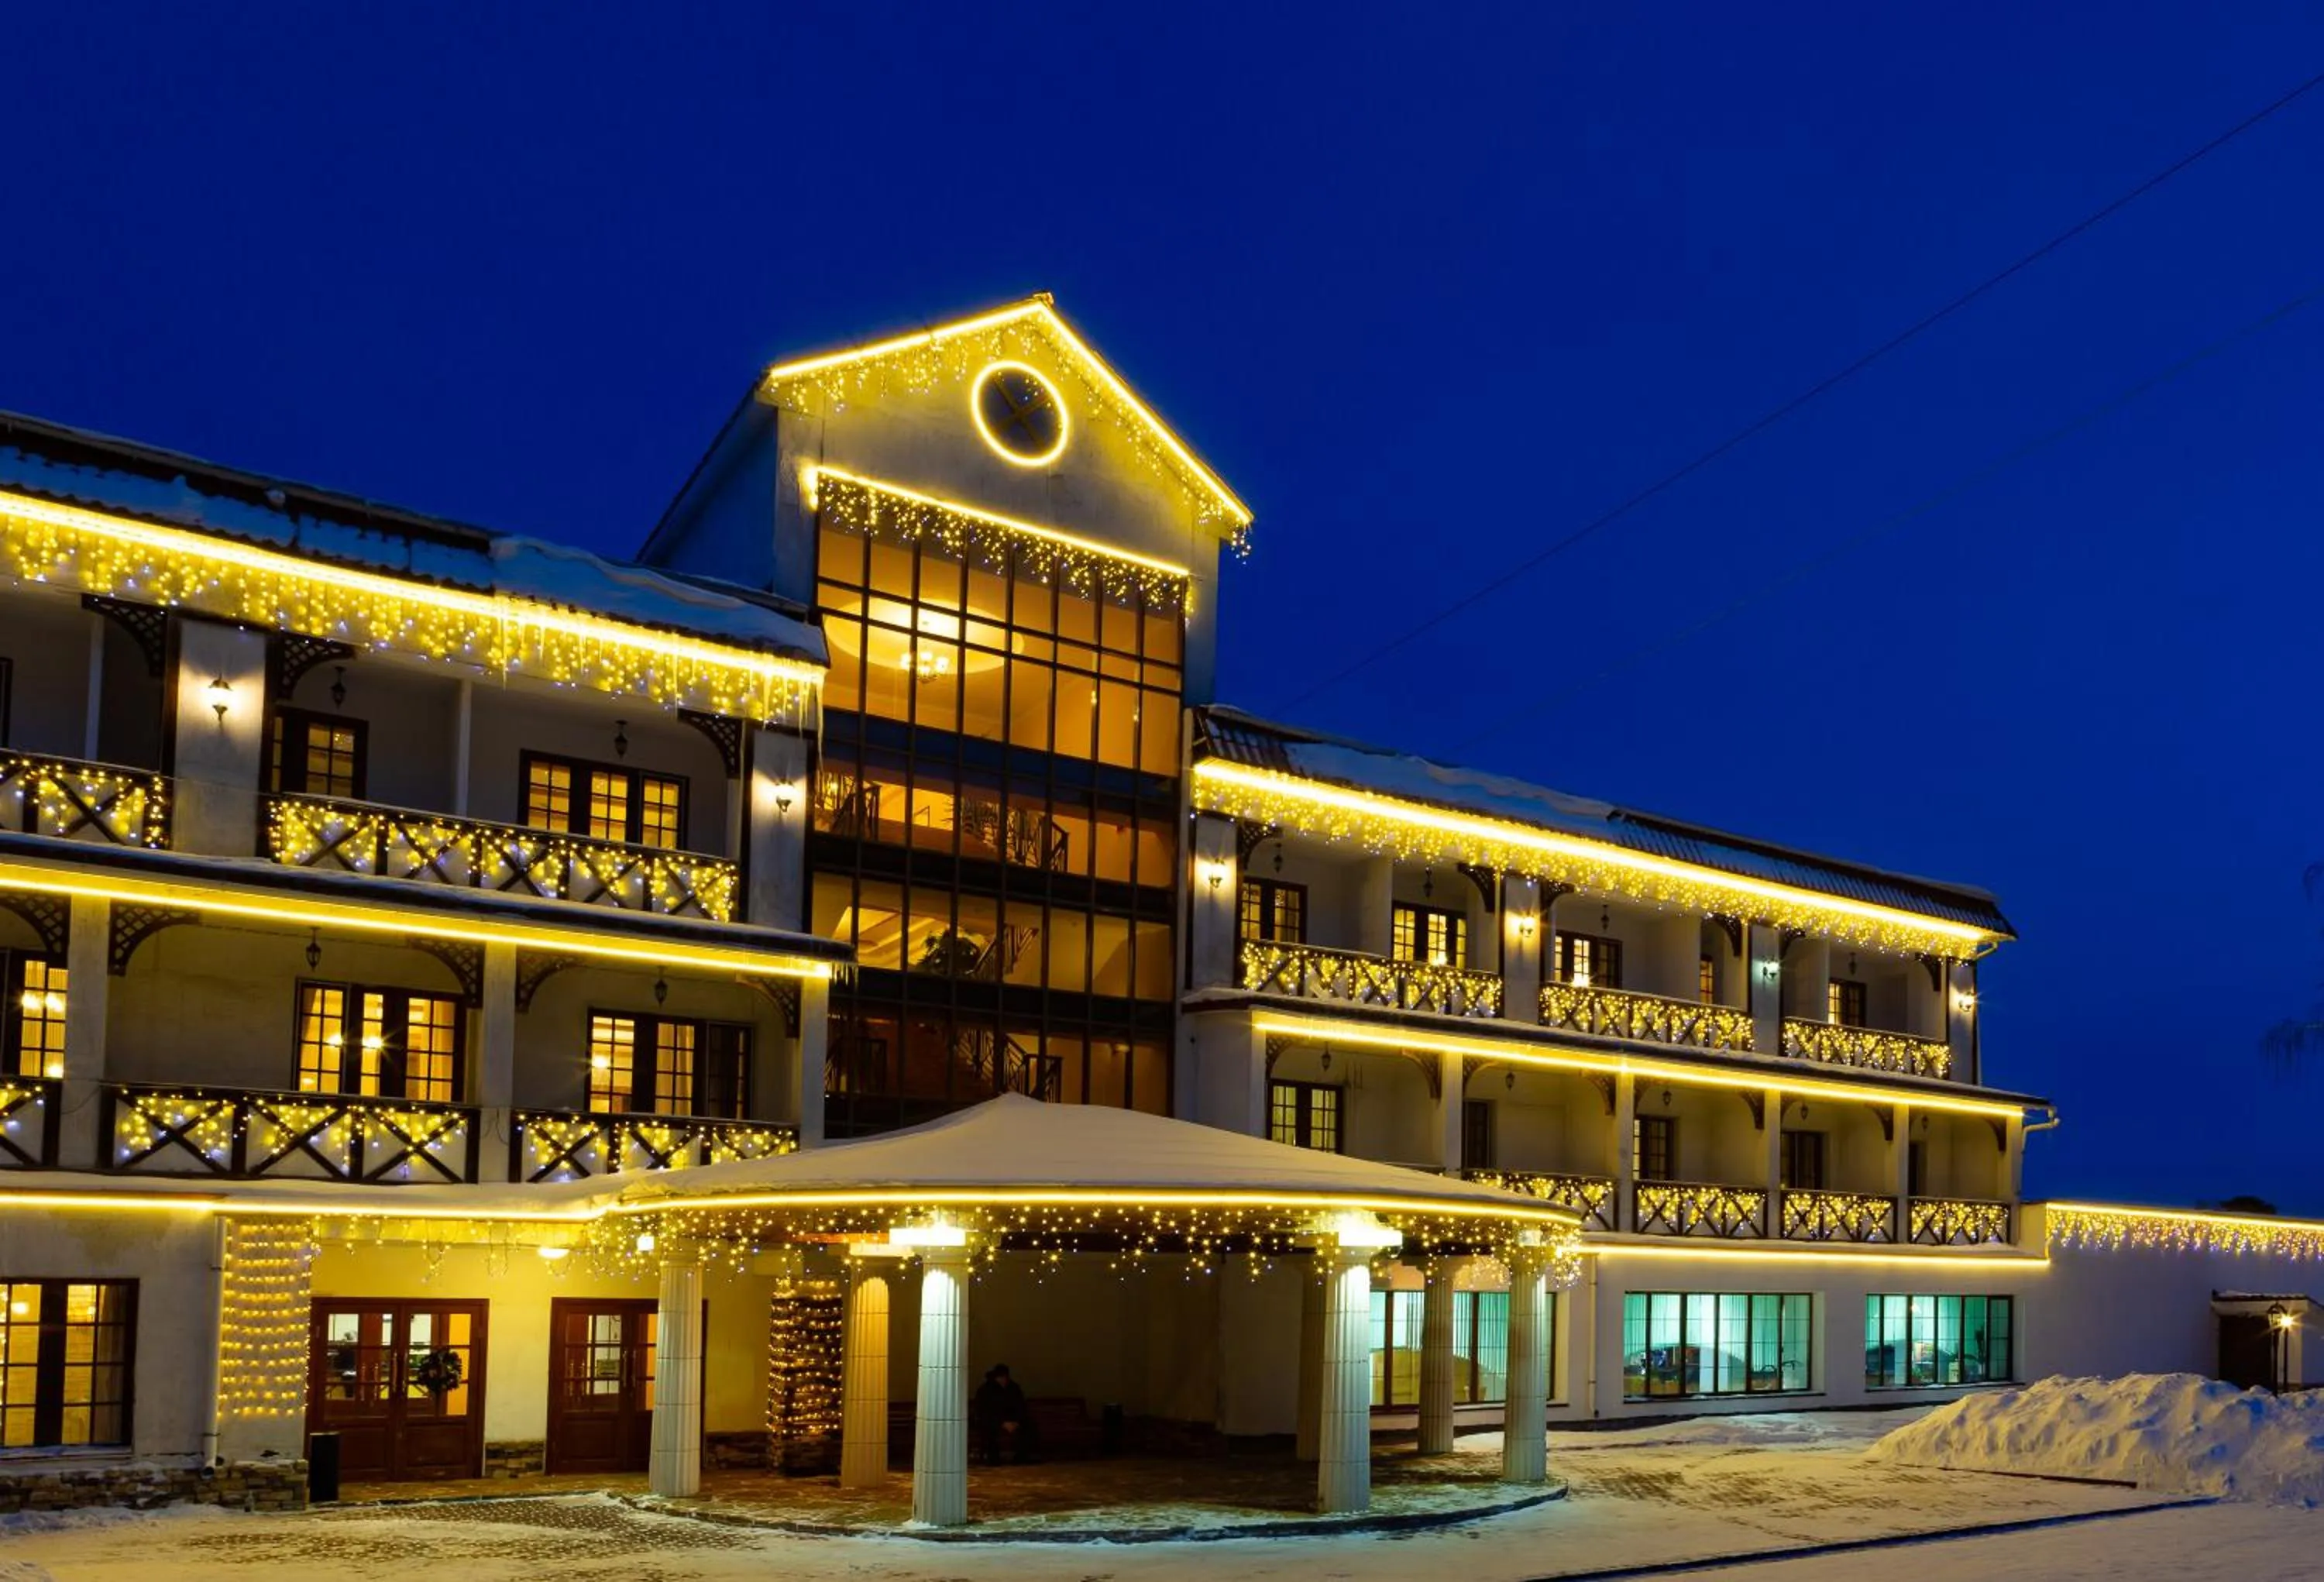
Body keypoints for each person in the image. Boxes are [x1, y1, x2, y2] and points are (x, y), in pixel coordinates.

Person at [972, 1363, 1037, 1463]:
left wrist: (1016, 1422)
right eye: (1000, 1377)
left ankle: (1021, 1457)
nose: (1003, 1380)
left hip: (1012, 1420)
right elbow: (984, 1411)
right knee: (989, 1431)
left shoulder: (1014, 1388)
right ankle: (993, 1459)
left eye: (1005, 1377)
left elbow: (1021, 1407)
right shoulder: (986, 1390)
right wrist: (1002, 1423)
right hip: (993, 1421)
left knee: (1029, 1428)